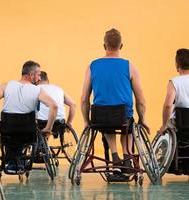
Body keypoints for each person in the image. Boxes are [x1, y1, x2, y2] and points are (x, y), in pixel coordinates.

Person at [81, 28, 150, 177]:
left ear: (104, 46)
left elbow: (84, 99)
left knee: (107, 123)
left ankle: (114, 156)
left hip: (100, 117)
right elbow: (141, 100)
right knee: (128, 124)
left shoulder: (93, 66)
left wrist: (86, 121)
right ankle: (126, 156)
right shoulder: (130, 66)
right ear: (121, 46)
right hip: (123, 116)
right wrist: (143, 120)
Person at [0, 61, 57, 172]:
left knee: (12, 133)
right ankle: (17, 160)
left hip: (7, 131)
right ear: (31, 75)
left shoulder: (6, 86)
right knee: (24, 131)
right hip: (27, 133)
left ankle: (11, 161)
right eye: (38, 75)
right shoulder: (37, 90)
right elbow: (54, 106)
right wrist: (48, 128)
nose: (39, 79)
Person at [159, 49, 189, 134]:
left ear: (177, 65)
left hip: (180, 124)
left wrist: (164, 125)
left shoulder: (174, 82)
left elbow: (168, 105)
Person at [37, 71, 76, 136]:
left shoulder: (36, 89)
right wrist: (69, 122)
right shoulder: (58, 89)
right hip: (60, 122)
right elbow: (73, 104)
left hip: (43, 123)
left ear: (37, 80)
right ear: (47, 80)